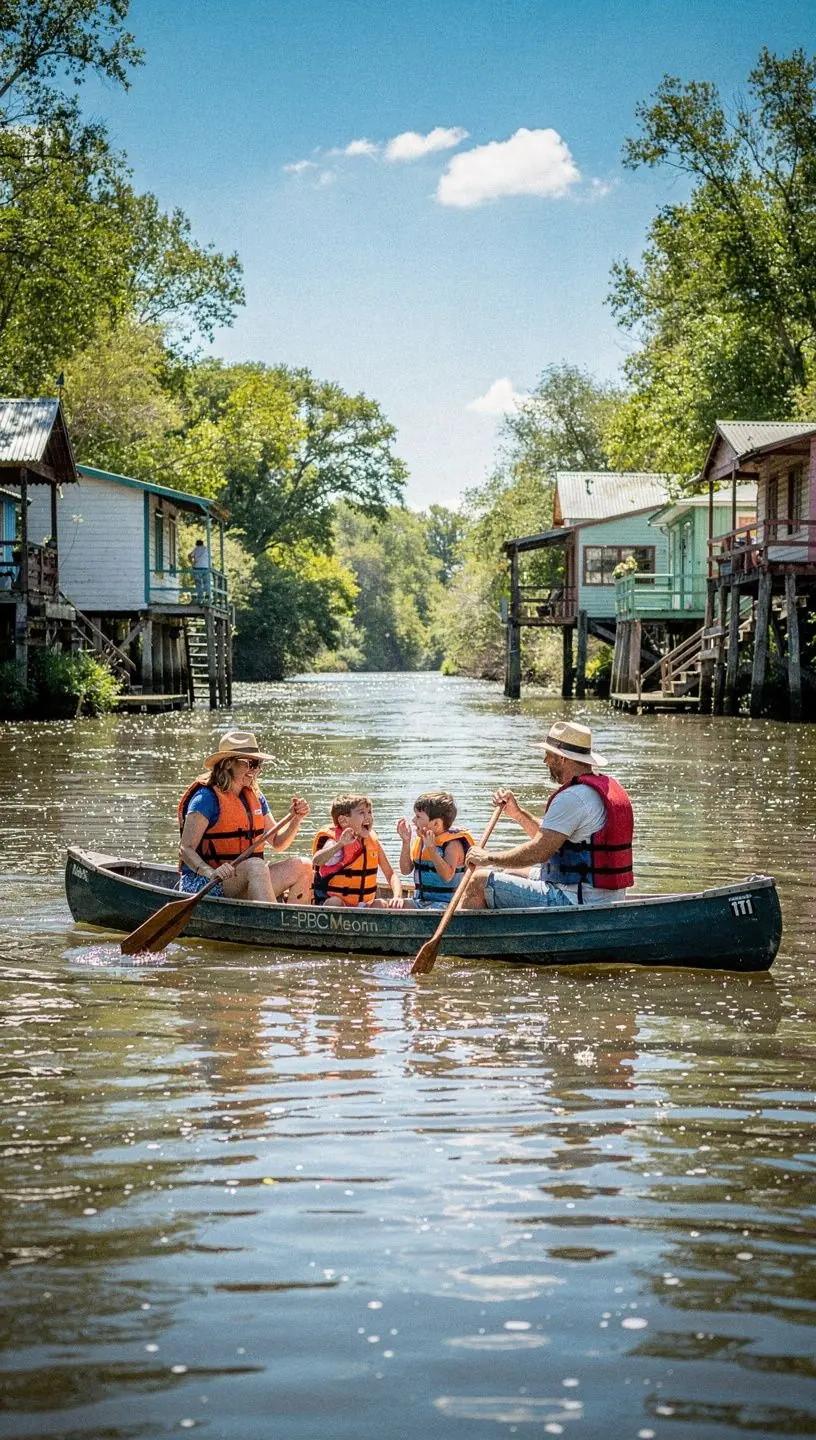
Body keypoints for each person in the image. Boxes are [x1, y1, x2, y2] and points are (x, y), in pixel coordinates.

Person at [461, 720, 634, 910]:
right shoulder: (598, 789)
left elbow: (540, 851)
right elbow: (551, 838)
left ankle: (466, 939)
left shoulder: (572, 797)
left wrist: (488, 857)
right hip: (598, 895)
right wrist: (517, 814)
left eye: (548, 755)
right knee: (509, 871)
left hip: (575, 900)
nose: (545, 761)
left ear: (562, 758)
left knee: (479, 881)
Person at [178, 730, 312, 902]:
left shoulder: (255, 797)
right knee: (256, 866)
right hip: (205, 883)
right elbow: (185, 849)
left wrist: (296, 819)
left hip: (243, 877)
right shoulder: (205, 799)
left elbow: (278, 842)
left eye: (258, 763)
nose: (256, 770)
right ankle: (272, 925)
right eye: (250, 763)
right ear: (227, 764)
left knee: (303, 866)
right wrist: (210, 872)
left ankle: (289, 924)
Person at [312, 795, 404, 908]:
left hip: (364, 904)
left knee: (381, 904)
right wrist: (340, 844)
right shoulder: (335, 841)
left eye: (370, 812)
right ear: (343, 820)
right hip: (337, 903)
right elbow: (317, 860)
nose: (368, 817)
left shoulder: (372, 842)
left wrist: (397, 896)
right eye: (362, 813)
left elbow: (391, 874)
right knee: (334, 902)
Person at [397, 790, 474, 907]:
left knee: (432, 910)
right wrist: (406, 842)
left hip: (446, 905)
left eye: (418, 817)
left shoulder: (452, 845)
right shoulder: (421, 840)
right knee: (380, 904)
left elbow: (447, 876)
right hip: (420, 902)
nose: (413, 820)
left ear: (436, 824)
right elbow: (405, 870)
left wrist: (432, 850)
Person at [189, 536, 210, 604]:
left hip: (197, 568)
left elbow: (189, 555)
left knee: (198, 583)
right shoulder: (206, 549)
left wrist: (192, 563)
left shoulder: (196, 549)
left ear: (196, 544)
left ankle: (200, 597)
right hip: (206, 568)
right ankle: (207, 596)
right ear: (202, 544)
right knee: (206, 582)